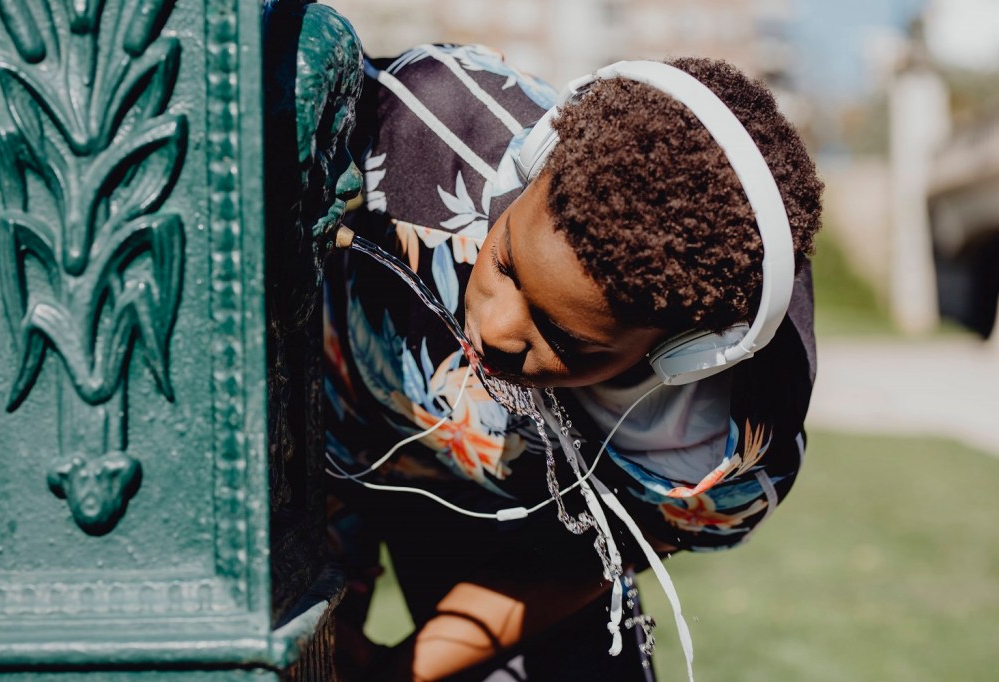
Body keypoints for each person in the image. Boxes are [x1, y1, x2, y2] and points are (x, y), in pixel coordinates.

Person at [321, 42, 822, 681]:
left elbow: (576, 561)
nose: (498, 330)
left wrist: (400, 671)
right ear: (528, 168)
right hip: (322, 448)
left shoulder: (719, 450)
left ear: (684, 353)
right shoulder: (416, 122)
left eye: (567, 339)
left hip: (533, 520)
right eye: (504, 264)